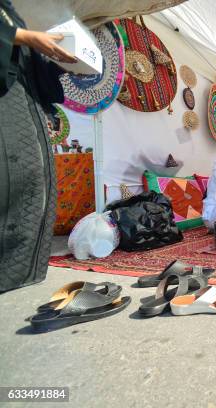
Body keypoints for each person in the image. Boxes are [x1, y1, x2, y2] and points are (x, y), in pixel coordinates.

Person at [0, 0, 77, 292]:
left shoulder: (11, 10)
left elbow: (29, 64)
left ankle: (23, 277)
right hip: (6, 103)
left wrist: (61, 64)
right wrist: (23, 37)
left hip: (25, 101)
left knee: (35, 184)